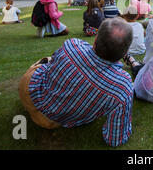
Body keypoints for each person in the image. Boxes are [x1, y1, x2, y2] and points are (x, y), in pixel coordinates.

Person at [19, 18, 134, 147]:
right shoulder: (123, 86)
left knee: (48, 60)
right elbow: (115, 139)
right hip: (52, 121)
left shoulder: (72, 46)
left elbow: (51, 68)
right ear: (124, 53)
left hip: (28, 92)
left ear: (96, 39)